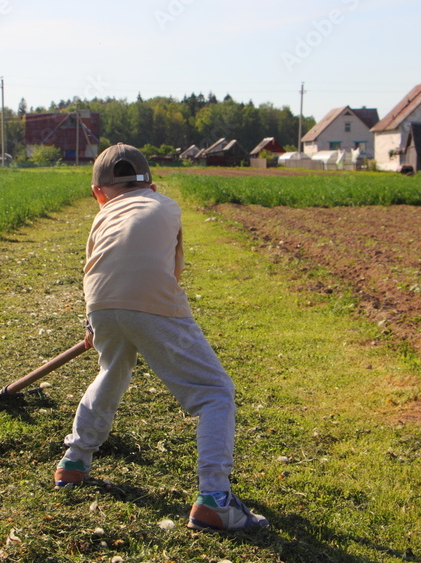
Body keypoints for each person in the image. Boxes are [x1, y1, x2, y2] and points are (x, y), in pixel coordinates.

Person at [54, 143, 268, 532]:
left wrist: (95, 325)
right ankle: (215, 499)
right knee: (215, 392)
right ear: (151, 186)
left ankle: (74, 460)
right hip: (150, 302)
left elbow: (93, 267)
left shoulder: (102, 216)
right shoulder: (166, 206)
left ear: (97, 194)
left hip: (101, 304)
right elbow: (171, 271)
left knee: (112, 372)